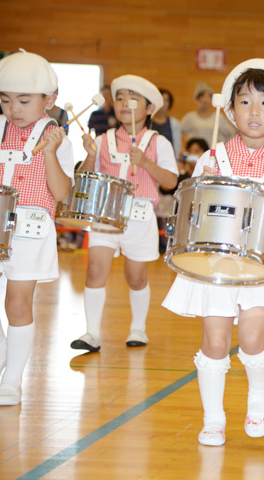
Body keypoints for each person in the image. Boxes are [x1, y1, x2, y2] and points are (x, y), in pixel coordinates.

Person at [162, 59, 264, 446]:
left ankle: (258, 398)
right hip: (215, 263)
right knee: (213, 342)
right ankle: (213, 418)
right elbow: (188, 214)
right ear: (229, 111)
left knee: (251, 336)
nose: (255, 111)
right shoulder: (212, 159)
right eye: (245, 102)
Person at [0, 50, 74, 406]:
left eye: (24, 100)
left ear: (50, 100)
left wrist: (50, 155)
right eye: (5, 99)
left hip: (31, 230)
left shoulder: (57, 138)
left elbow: (61, 193)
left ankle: (13, 380)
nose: (13, 108)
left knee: (18, 304)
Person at [70, 74, 178, 353]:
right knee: (94, 270)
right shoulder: (102, 139)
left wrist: (144, 163)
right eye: (119, 98)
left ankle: (138, 328)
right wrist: (91, 156)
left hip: (140, 218)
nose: (124, 104)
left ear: (150, 108)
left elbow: (170, 181)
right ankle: (92, 332)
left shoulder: (158, 142)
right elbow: (84, 178)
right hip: (105, 215)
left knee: (136, 278)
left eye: (133, 98)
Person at [180, 82, 235, 146]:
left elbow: (232, 133)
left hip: (213, 152)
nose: (206, 100)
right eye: (202, 96)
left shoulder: (218, 117)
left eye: (209, 96)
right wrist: (189, 143)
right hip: (196, 154)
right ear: (197, 98)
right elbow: (178, 131)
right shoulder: (189, 117)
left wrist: (222, 145)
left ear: (212, 99)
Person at [152, 88, 182, 159]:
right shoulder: (147, 121)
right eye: (161, 99)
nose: (164, 103)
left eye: (166, 100)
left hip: (168, 159)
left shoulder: (174, 123)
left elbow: (177, 145)